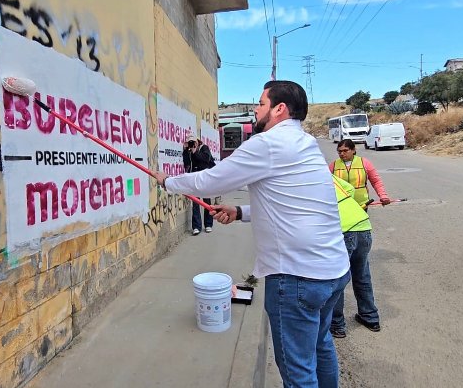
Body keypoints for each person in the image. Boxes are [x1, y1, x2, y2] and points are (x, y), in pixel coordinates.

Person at [155, 80, 350, 387]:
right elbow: (293, 206)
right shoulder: (306, 143)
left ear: (279, 109)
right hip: (334, 272)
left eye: (261, 103)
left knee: (299, 370)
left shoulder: (268, 143)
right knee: (320, 345)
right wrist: (241, 212)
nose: (256, 109)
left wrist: (168, 182)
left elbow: (212, 181)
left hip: (297, 277)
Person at [330, 175, 380, 338]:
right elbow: (350, 189)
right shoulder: (329, 176)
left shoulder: (307, 180)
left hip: (343, 230)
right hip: (363, 226)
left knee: (337, 279)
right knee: (362, 275)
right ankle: (370, 317)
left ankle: (337, 325)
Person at [330, 139, 391, 206]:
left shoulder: (364, 163)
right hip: (342, 205)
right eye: (339, 151)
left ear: (353, 150)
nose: (342, 154)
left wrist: (383, 196)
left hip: (362, 204)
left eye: (345, 150)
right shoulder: (333, 165)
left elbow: (376, 181)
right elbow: (326, 184)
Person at [183, 134, 215, 235]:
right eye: (190, 142)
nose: (192, 144)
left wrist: (195, 151)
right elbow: (186, 163)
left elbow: (205, 159)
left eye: (193, 142)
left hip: (205, 178)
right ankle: (196, 226)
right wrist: (185, 150)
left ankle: (208, 224)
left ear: (197, 141)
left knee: (207, 202)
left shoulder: (204, 148)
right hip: (194, 179)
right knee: (195, 203)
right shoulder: (189, 151)